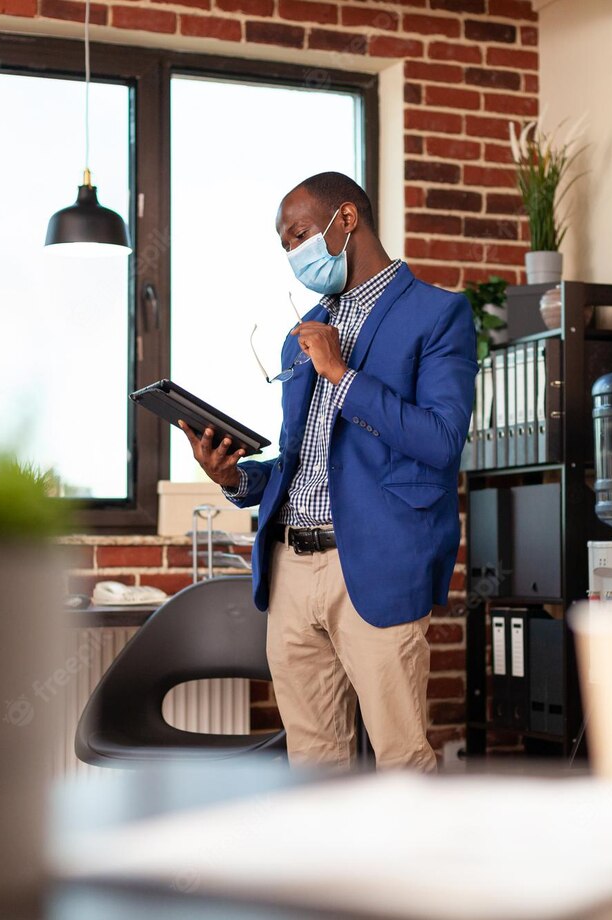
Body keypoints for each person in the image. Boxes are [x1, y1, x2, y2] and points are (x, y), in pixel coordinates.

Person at [179, 171, 477, 771]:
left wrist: (343, 374)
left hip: (373, 565)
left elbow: (442, 442)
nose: (292, 253)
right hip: (290, 566)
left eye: (299, 234)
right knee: (313, 764)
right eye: (284, 244)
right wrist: (233, 477)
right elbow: (301, 460)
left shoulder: (437, 315)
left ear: (346, 220)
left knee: (402, 759)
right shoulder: (302, 337)